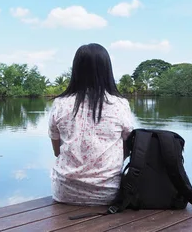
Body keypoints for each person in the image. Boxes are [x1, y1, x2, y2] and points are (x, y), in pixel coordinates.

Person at [48, 43, 136, 205]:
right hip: (108, 193)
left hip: (65, 192)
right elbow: (128, 145)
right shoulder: (119, 104)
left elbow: (56, 150)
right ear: (107, 70)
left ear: (76, 70)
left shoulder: (60, 103)